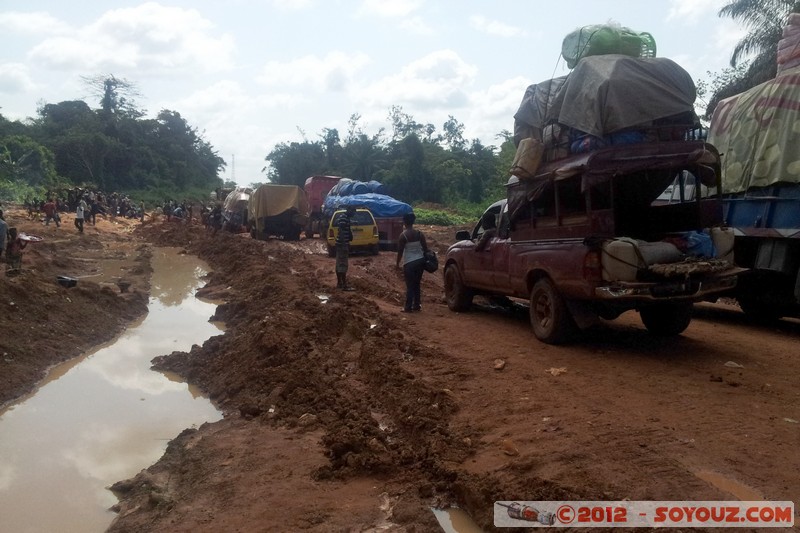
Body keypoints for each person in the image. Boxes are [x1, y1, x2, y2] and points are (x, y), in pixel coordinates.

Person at [396, 212, 428, 312]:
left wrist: (397, 263)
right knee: (417, 284)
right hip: (420, 261)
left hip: (409, 263)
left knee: (410, 285)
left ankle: (408, 307)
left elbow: (400, 252)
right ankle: (417, 305)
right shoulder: (419, 234)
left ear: (404, 222)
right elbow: (425, 249)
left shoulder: (403, 236)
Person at [335, 206, 356, 290]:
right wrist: (344, 244)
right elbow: (342, 231)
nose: (354, 214)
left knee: (339, 264)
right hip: (342, 244)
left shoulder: (345, 218)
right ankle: (344, 285)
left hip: (341, 244)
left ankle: (340, 283)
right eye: (353, 212)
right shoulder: (344, 218)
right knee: (343, 264)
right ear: (349, 210)